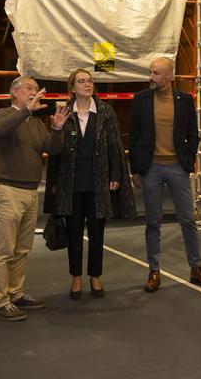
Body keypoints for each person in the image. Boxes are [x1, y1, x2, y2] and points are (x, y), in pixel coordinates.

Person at [44, 68, 135, 300]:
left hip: (98, 184)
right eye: (82, 81)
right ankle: (76, 276)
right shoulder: (64, 113)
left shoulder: (105, 112)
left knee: (97, 233)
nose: (87, 84)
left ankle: (95, 275)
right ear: (72, 88)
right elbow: (54, 152)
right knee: (74, 233)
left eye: (90, 80)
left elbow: (115, 145)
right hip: (70, 184)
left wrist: (116, 174)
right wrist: (53, 182)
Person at [129, 56, 201, 293]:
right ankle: (154, 270)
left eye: (156, 73)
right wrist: (136, 168)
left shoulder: (185, 100)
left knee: (188, 220)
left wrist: (187, 159)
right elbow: (134, 136)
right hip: (151, 169)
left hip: (177, 167)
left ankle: (196, 268)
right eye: (151, 72)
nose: (151, 77)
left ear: (170, 76)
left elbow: (193, 133)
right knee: (153, 222)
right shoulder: (140, 100)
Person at [0, 75, 69, 322]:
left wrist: (56, 129)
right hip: (7, 189)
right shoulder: (3, 114)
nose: (34, 92)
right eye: (29, 88)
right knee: (4, 250)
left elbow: (53, 149)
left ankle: (16, 292)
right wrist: (25, 111)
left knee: (22, 249)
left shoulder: (35, 123)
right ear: (14, 93)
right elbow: (0, 130)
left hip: (30, 191)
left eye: (36, 89)